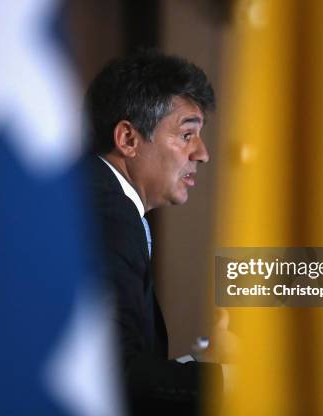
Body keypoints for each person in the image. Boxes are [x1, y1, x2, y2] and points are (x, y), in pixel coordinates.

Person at [83, 50, 227, 415]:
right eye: (186, 134)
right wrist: (234, 380)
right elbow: (113, 376)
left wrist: (197, 363)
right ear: (128, 139)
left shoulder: (103, 201)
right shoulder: (108, 214)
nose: (203, 153)